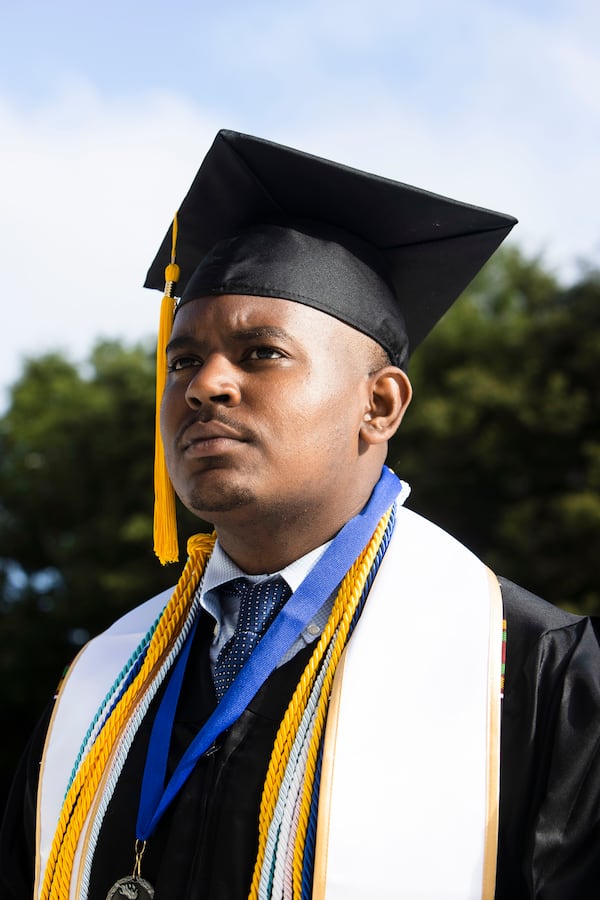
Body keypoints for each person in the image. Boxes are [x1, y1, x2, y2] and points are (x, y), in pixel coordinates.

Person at [1, 130, 599, 900]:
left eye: (260, 354)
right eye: (182, 360)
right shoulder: (100, 683)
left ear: (378, 405)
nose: (203, 386)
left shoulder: (534, 673)